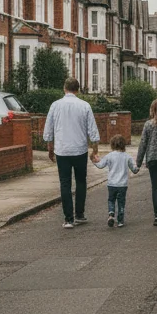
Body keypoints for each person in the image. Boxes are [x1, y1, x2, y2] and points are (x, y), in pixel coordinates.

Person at [43, 78, 100, 229]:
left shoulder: (55, 105)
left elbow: (49, 129)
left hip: (62, 150)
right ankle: (80, 214)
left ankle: (69, 219)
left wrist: (50, 148)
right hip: (80, 149)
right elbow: (92, 129)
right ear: (78, 89)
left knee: (65, 183)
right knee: (81, 181)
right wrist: (95, 148)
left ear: (64, 88)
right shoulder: (85, 106)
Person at [92, 134, 138, 227]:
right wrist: (138, 167)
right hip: (122, 185)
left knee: (111, 200)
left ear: (112, 144)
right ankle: (120, 221)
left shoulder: (109, 156)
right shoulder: (127, 157)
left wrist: (95, 161)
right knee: (121, 202)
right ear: (123, 145)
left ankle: (111, 214)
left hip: (111, 184)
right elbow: (134, 169)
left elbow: (100, 165)